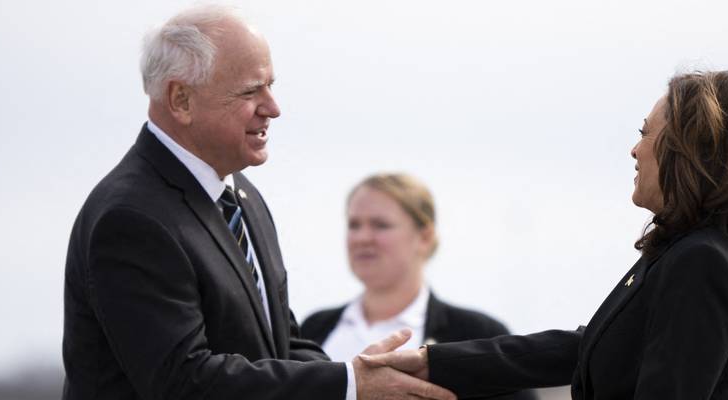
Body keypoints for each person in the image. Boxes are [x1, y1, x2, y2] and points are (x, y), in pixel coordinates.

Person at [61, 5, 454, 400]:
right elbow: (184, 382)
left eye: (270, 85)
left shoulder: (239, 195)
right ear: (180, 99)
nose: (273, 107)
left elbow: (281, 345)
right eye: (251, 91)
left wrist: (359, 377)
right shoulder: (132, 218)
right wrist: (350, 385)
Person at [363, 71, 728, 399]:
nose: (635, 149)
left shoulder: (702, 261)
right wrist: (432, 363)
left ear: (692, 150)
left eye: (646, 133)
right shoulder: (700, 250)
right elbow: (585, 345)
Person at [301, 173, 537, 400]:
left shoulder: (477, 334)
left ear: (424, 237)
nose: (362, 237)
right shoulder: (314, 329)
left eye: (380, 225)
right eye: (354, 225)